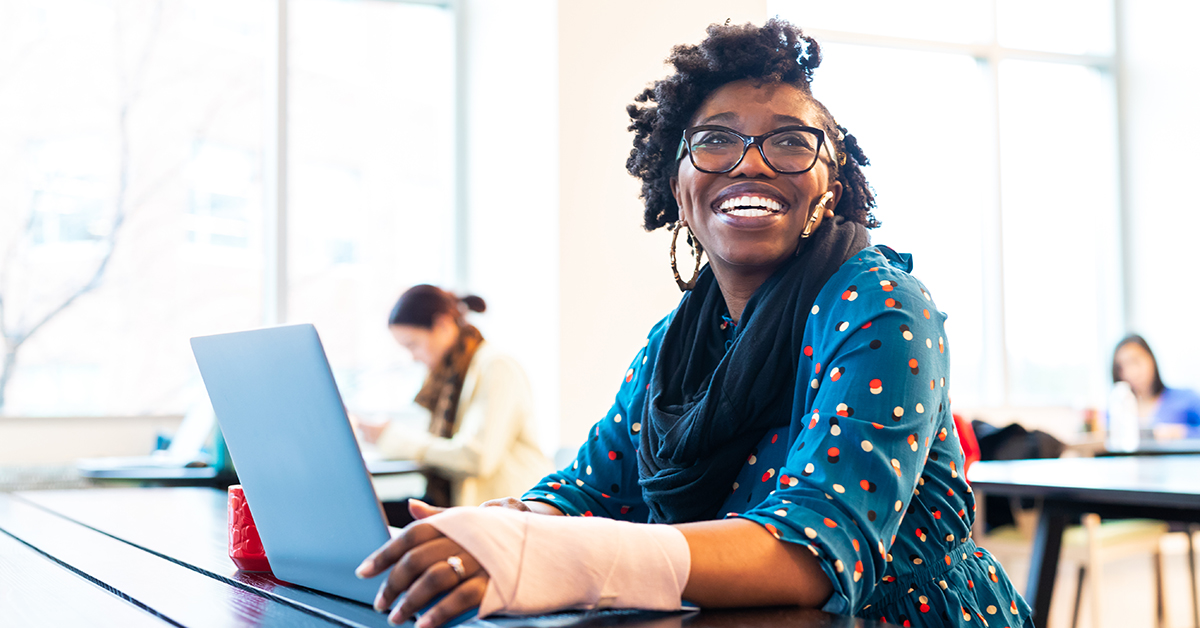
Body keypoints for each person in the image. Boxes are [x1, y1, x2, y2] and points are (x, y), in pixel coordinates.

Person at [356, 20, 1030, 628]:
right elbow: (590, 487)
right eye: (715, 141)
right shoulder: (675, 344)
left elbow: (814, 551)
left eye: (791, 142)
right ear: (677, 184)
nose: (752, 160)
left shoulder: (879, 305)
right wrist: (500, 527)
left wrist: (562, 556)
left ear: (830, 184)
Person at [358, 285, 551, 510]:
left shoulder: (496, 366)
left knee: (376, 514)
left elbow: (477, 458)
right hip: (464, 504)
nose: (413, 357)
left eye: (413, 345)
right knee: (370, 510)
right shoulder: (449, 379)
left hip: (508, 512)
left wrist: (390, 438)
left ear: (442, 325)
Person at [1112, 334, 1200, 439]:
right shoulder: (1116, 410)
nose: (1130, 372)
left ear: (1151, 359)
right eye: (1122, 367)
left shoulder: (1186, 398)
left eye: (1135, 362)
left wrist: (1183, 433)